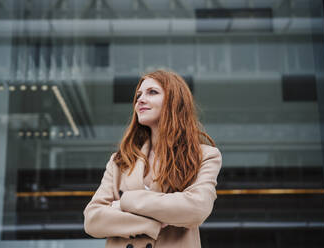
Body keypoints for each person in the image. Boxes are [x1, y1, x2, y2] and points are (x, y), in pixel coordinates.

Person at [83, 69, 222, 248]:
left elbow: (196, 209)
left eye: (152, 92)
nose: (140, 99)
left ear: (174, 101)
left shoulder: (205, 156)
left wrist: (125, 202)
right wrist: (153, 223)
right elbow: (93, 220)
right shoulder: (121, 160)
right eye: (139, 95)